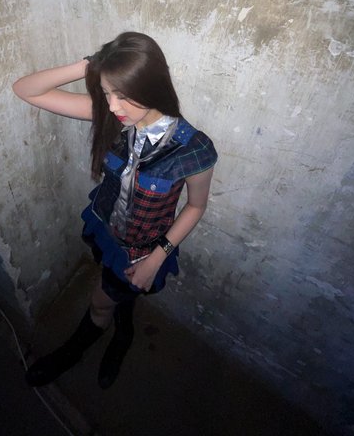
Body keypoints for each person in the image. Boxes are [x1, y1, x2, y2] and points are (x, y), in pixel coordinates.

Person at [12, 31, 218, 389]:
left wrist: (156, 258)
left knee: (100, 303)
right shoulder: (116, 118)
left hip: (144, 249)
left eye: (121, 95)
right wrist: (90, 66)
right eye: (106, 93)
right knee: (118, 291)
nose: (111, 106)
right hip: (106, 228)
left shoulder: (193, 149)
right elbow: (25, 89)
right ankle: (124, 329)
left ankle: (74, 352)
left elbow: (196, 205)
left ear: (152, 87)